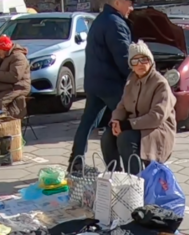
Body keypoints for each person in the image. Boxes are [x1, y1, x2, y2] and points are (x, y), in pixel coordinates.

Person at [69, 0, 133, 169]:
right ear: (118, 2)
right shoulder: (115, 23)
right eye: (129, 4)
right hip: (111, 84)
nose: (131, 8)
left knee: (87, 123)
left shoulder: (100, 20)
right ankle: (121, 166)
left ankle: (76, 163)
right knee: (125, 122)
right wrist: (135, 79)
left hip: (94, 81)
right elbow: (123, 57)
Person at [104, 41, 175, 172]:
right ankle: (115, 176)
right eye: (135, 61)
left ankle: (135, 182)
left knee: (125, 138)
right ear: (131, 65)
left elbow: (156, 117)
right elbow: (122, 106)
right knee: (107, 136)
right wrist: (116, 122)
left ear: (150, 60)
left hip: (156, 129)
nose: (140, 64)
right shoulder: (132, 81)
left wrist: (126, 125)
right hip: (136, 126)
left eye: (143, 59)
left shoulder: (160, 83)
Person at [0, 35, 30, 118]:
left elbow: (14, 76)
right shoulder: (1, 57)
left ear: (5, 49)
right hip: (5, 87)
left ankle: (9, 124)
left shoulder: (18, 57)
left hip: (18, 87)